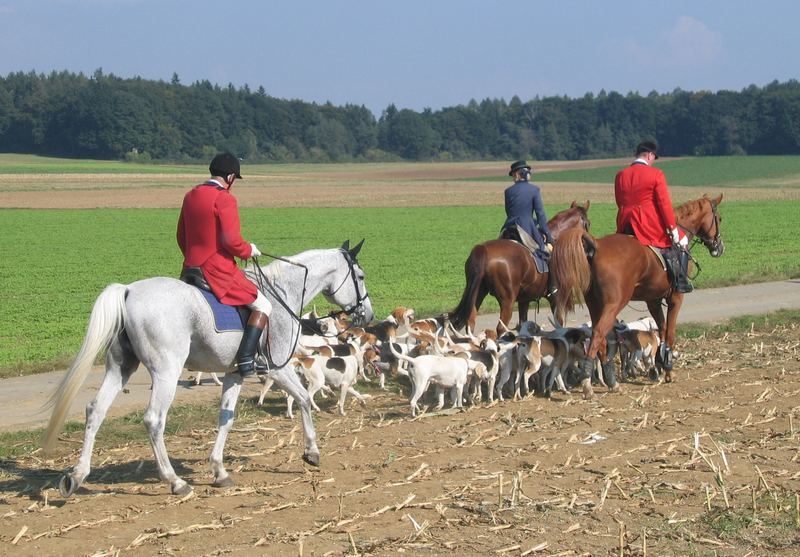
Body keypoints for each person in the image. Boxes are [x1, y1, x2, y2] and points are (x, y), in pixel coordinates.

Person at [177, 153, 272, 376]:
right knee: (263, 305)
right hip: (216, 270)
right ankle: (247, 359)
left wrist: (192, 258)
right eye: (234, 179)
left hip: (190, 268)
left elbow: (181, 236)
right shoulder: (225, 199)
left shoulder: (190, 195)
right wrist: (249, 250)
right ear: (230, 177)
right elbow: (231, 241)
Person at [614, 141, 692, 293]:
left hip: (625, 223)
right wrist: (672, 229)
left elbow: (619, 201)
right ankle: (680, 281)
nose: (652, 161)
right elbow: (664, 205)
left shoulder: (620, 175)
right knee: (682, 241)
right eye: (653, 158)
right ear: (650, 155)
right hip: (647, 224)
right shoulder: (656, 174)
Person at [499, 160, 557, 299]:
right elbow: (541, 215)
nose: (513, 178)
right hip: (526, 229)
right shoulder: (534, 190)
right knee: (547, 253)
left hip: (508, 228)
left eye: (513, 175)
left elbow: (510, 212)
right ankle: (551, 288)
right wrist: (548, 237)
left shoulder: (508, 191)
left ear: (517, 175)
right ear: (524, 174)